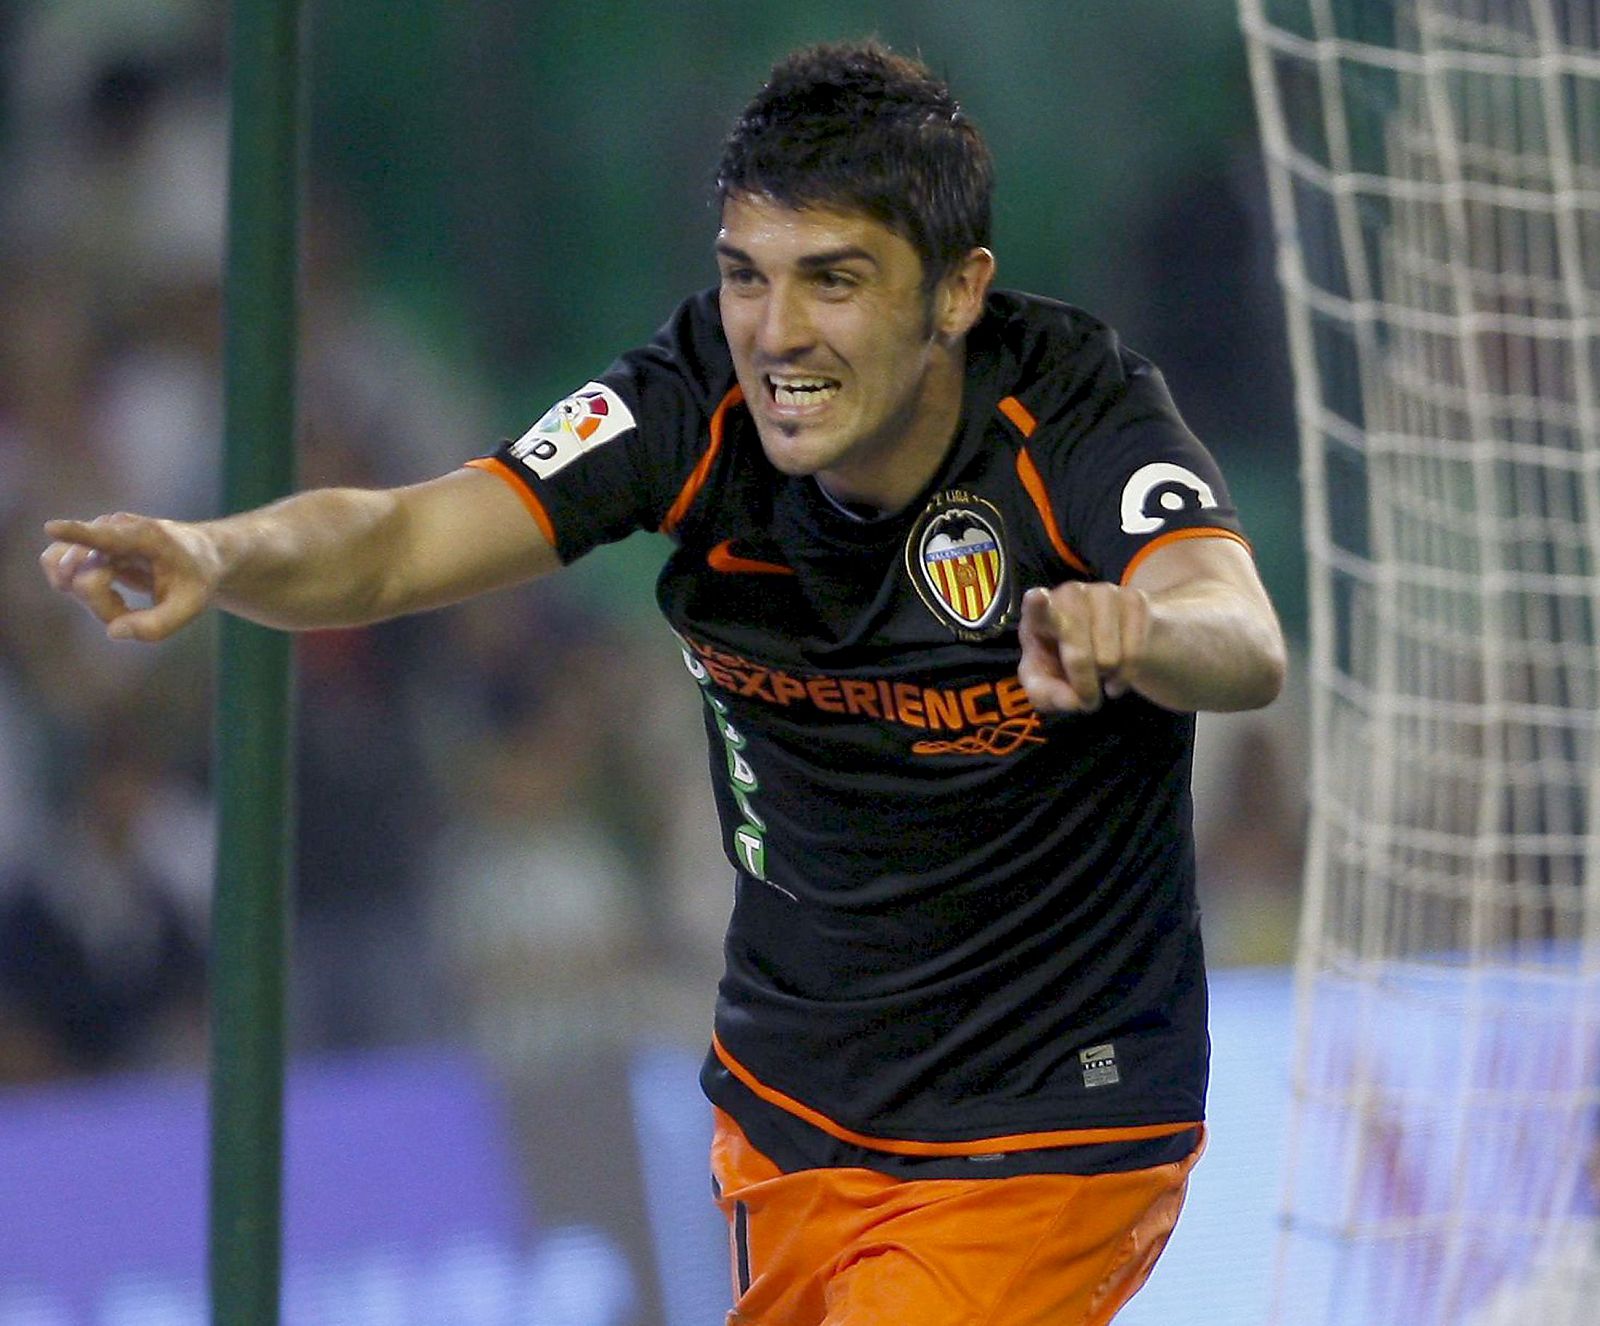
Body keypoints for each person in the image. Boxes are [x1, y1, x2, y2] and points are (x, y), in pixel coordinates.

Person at [41, 41, 1286, 1326]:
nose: (778, 334)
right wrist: (215, 550)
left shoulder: (1074, 415)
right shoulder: (689, 405)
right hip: (794, 1106)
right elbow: (406, 539)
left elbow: (1236, 627)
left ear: (957, 292)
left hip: (1050, 1119)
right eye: (747, 276)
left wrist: (1133, 628)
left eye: (835, 281)